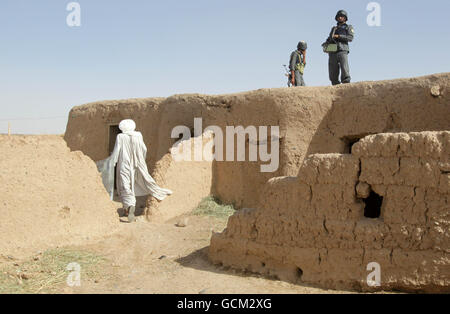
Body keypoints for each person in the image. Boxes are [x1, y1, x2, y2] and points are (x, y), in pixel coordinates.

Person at [107, 119, 173, 222]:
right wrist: (141, 159)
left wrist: (112, 162)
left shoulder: (120, 137)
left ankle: (129, 206)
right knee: (139, 181)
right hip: (138, 163)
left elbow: (116, 151)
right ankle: (129, 207)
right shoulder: (138, 135)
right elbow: (144, 149)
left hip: (124, 163)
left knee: (125, 186)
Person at [325, 10, 355, 85]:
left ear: (345, 18)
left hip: (342, 49)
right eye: (339, 16)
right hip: (332, 50)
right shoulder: (334, 28)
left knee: (344, 68)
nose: (340, 18)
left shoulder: (348, 27)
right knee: (332, 70)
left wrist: (338, 36)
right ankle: (335, 84)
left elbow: (350, 38)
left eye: (342, 16)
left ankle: (346, 83)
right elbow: (329, 38)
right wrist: (326, 45)